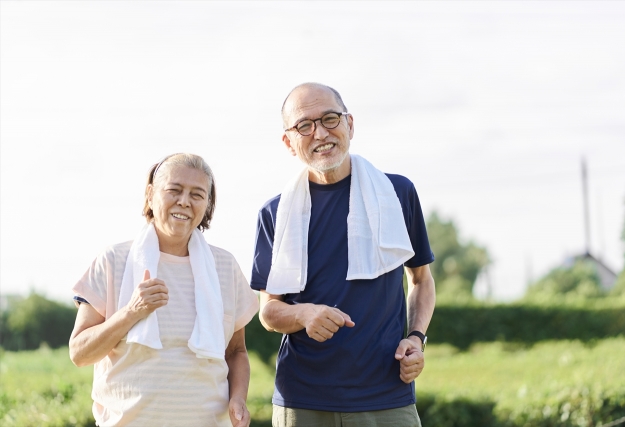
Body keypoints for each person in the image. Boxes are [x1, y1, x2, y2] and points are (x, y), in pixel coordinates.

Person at [250, 83, 436, 426]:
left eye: (330, 119)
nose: (320, 132)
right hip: (302, 400)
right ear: (289, 142)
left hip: (387, 397)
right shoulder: (274, 213)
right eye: (304, 125)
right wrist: (305, 314)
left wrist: (416, 338)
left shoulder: (398, 193)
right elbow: (269, 311)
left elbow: (421, 280)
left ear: (350, 124)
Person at [69, 153, 259, 427]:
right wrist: (131, 312)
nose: (184, 201)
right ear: (150, 195)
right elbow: (80, 353)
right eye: (174, 190)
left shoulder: (225, 266)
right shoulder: (113, 260)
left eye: (197, 194)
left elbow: (236, 352)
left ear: (207, 205)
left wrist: (238, 398)